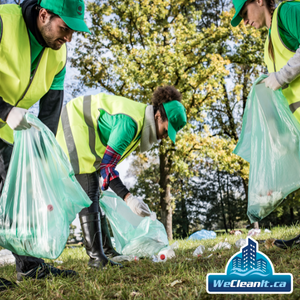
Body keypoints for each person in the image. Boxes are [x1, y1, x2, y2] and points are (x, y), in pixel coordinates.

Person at [0, 0, 90, 290]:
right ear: (43, 15)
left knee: (20, 198)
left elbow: (51, 111)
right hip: (6, 117)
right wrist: (5, 110)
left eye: (73, 32)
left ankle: (29, 267)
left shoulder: (58, 56)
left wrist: (40, 159)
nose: (68, 39)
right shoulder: (4, 22)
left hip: (10, 132)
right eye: (65, 29)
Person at [56, 86, 187, 268]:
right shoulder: (130, 124)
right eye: (166, 130)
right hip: (74, 124)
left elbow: (108, 165)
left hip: (79, 125)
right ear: (158, 116)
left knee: (94, 193)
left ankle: (106, 251)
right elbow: (107, 168)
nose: (164, 137)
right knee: (89, 189)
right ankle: (96, 258)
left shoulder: (140, 123)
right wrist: (128, 198)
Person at [231, 0, 300, 249]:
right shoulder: (268, 45)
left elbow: (284, 78)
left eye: (244, 13)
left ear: (259, 1)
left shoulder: (289, 12)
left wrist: (281, 77)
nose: (245, 21)